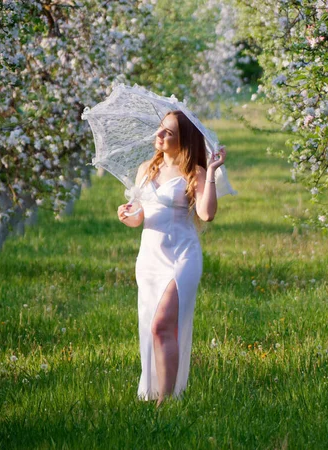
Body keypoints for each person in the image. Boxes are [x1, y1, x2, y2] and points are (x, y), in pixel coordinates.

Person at [117, 110, 226, 404]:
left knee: (161, 325)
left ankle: (167, 401)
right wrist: (127, 214)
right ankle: (155, 394)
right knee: (151, 326)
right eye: (160, 130)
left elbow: (207, 213)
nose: (159, 135)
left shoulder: (194, 173)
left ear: (183, 140)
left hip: (181, 256)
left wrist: (212, 173)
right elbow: (139, 217)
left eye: (168, 133)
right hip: (149, 257)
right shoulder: (146, 170)